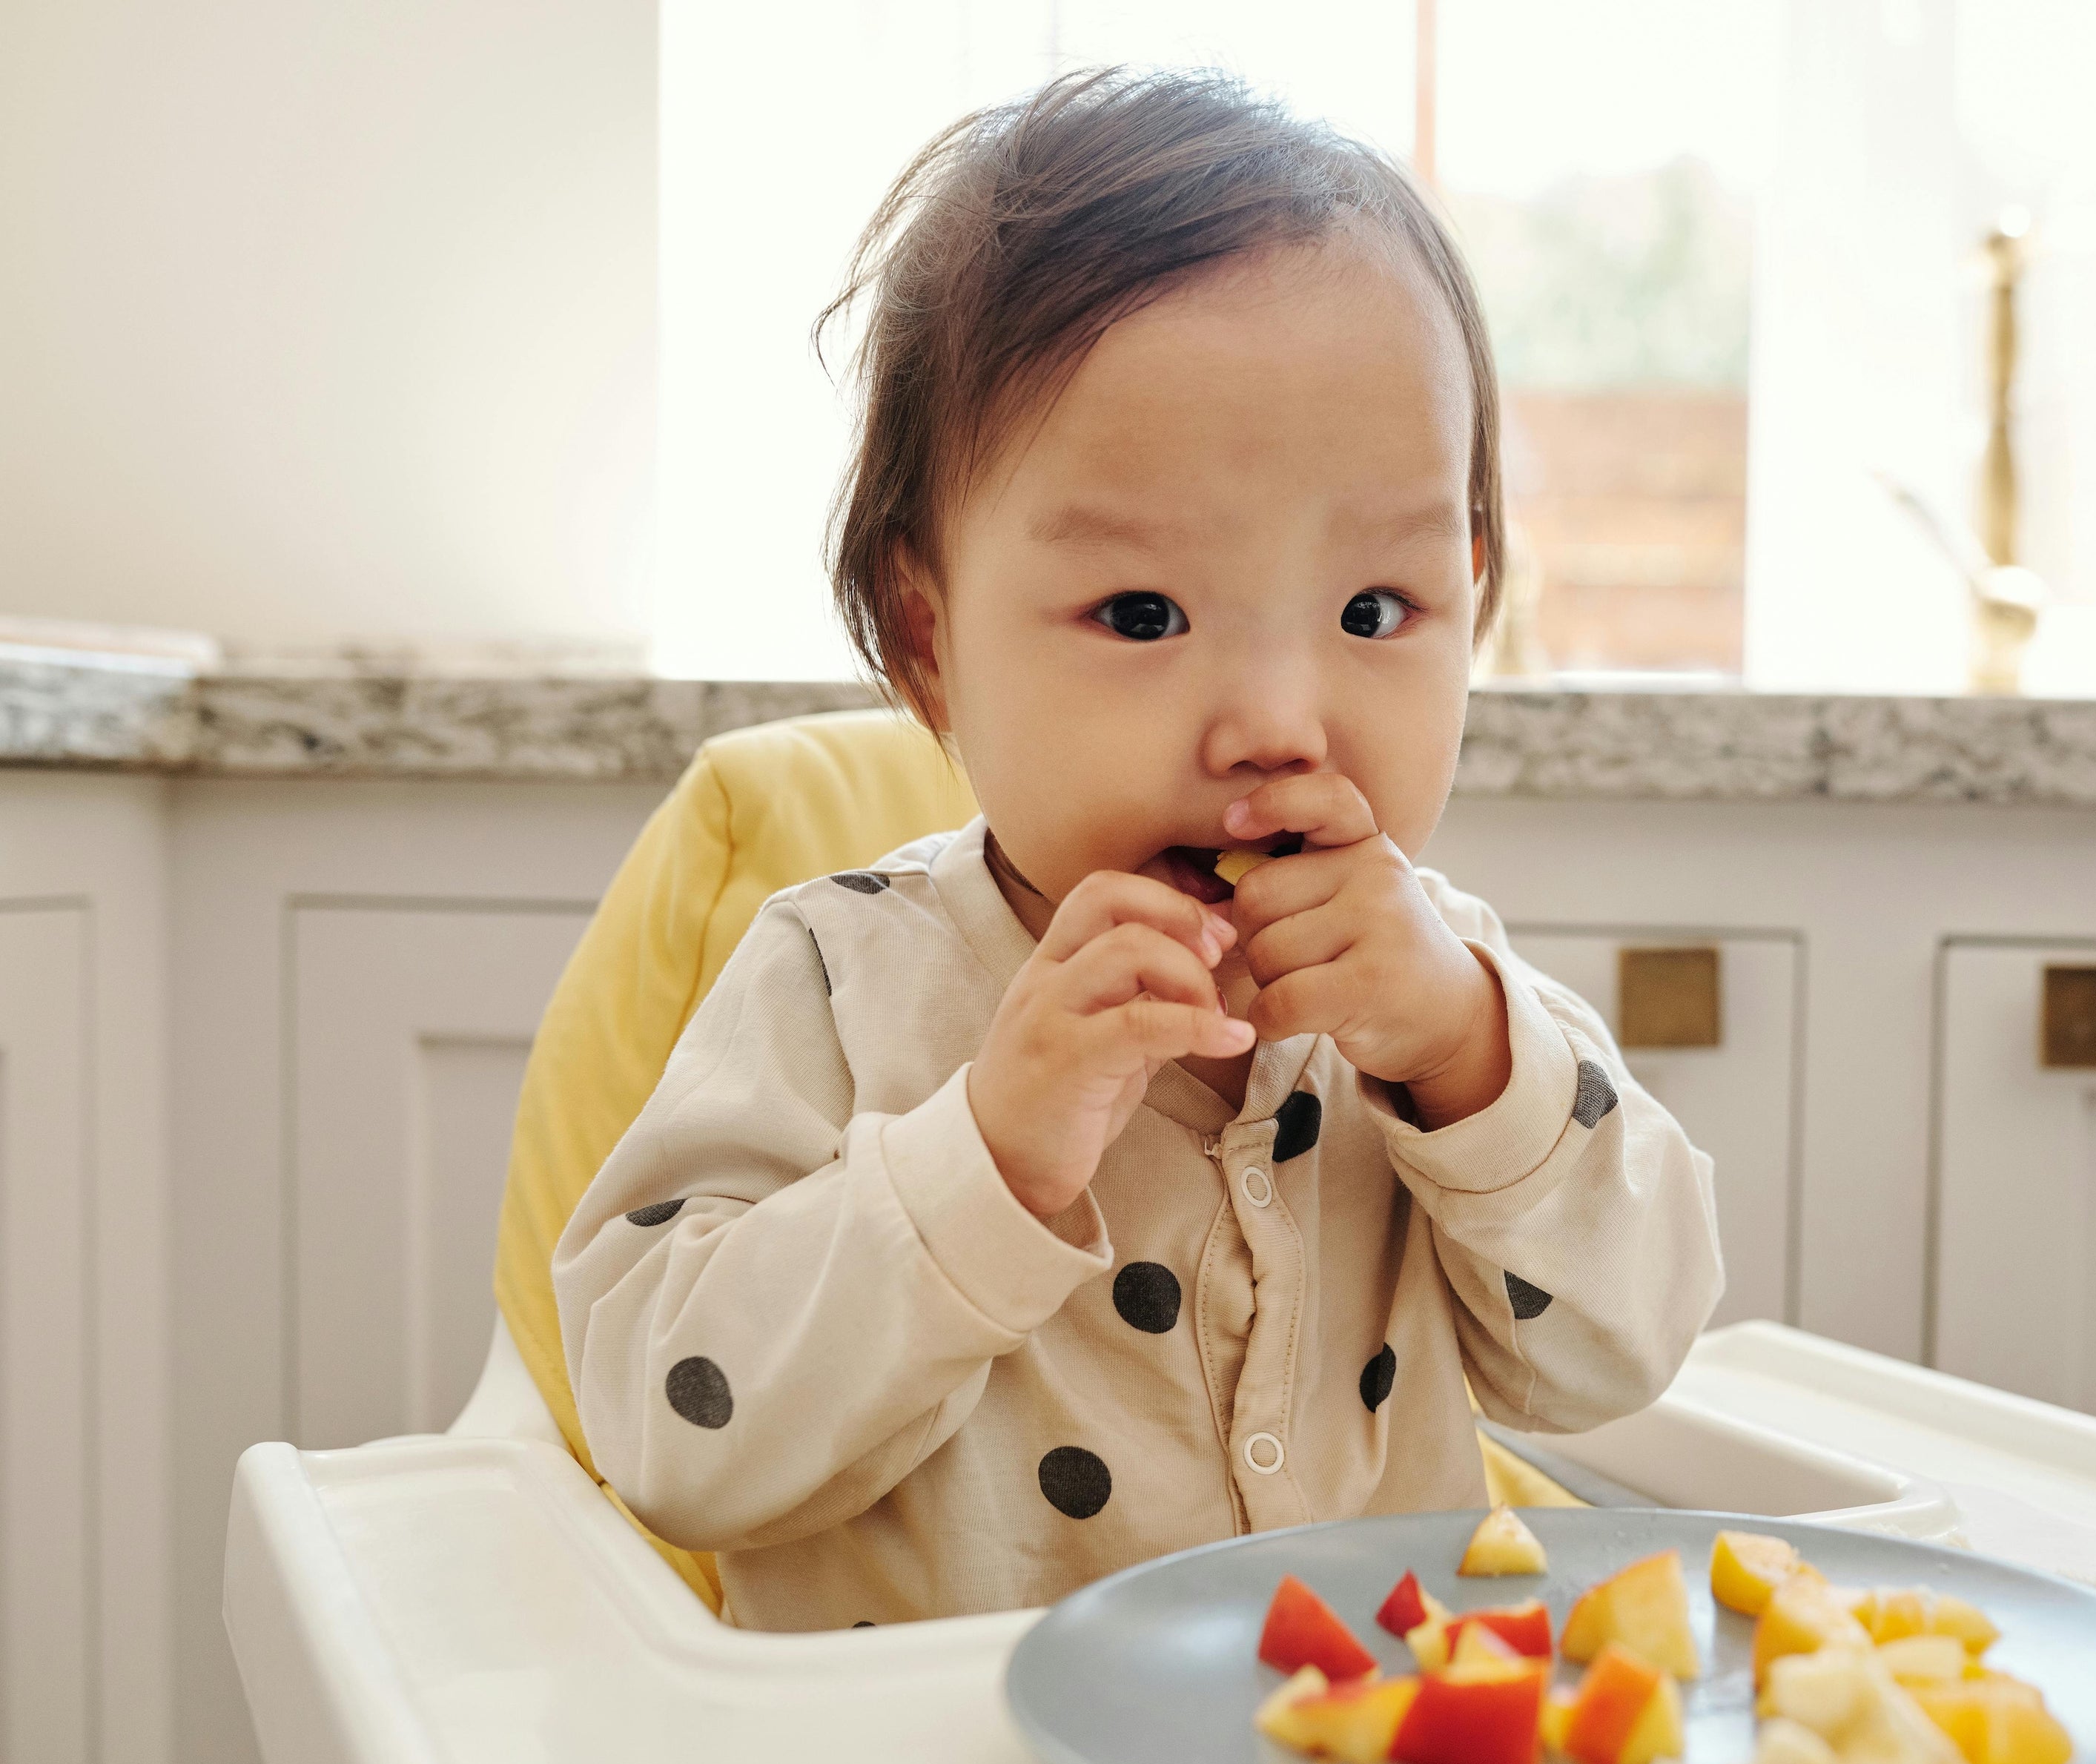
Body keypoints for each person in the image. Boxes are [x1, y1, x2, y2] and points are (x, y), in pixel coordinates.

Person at [554, 67, 1722, 1629]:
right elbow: (671, 1429)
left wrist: (1468, 1060)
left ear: (1473, 593)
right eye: (1143, 615)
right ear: (931, 643)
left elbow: (1626, 1348)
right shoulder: (838, 981)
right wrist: (991, 1154)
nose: (1277, 722)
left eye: (1374, 610)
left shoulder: (1451, 1003)